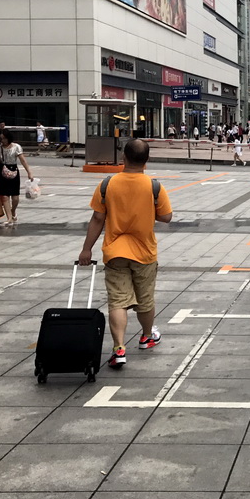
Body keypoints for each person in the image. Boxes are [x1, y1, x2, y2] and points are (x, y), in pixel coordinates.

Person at [78, 139, 173, 369]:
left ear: (124, 158)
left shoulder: (108, 184)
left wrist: (86, 248)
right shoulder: (154, 186)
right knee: (145, 299)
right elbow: (167, 217)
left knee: (118, 301)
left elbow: (98, 218)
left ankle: (119, 348)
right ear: (147, 161)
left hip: (115, 252)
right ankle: (147, 336)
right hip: (144, 252)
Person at [0, 129, 33, 228]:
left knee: (15, 197)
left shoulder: (16, 147)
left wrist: (29, 172)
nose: (3, 141)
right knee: (4, 196)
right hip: (1, 173)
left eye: (4, 138)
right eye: (1, 139)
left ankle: (13, 211)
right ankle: (9, 218)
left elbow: (23, 161)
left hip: (13, 171)